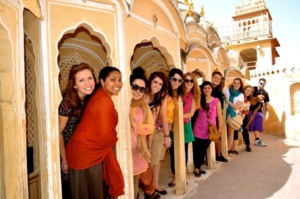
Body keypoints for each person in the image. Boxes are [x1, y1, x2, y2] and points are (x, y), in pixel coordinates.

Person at [65, 66, 124, 199]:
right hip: (86, 155)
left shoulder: (100, 96)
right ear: (102, 81)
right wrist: (113, 140)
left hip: (87, 153)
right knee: (92, 193)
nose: (117, 83)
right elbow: (105, 135)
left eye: (120, 80)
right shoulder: (103, 100)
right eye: (113, 79)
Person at [58, 63, 96, 199]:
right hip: (70, 156)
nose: (87, 83)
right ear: (74, 85)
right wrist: (64, 160)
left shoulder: (90, 100)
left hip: (85, 155)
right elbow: (58, 133)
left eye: (90, 78)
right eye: (81, 80)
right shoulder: (67, 104)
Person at [151, 68, 183, 195]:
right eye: (174, 79)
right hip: (159, 131)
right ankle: (151, 187)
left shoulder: (172, 95)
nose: (177, 82)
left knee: (158, 160)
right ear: (169, 79)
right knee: (154, 160)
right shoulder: (164, 94)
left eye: (179, 80)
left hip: (163, 131)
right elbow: (163, 115)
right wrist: (167, 135)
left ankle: (155, 185)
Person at [168, 72, 200, 187]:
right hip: (173, 125)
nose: (189, 83)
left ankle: (182, 175)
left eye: (191, 81)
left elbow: (191, 113)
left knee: (184, 152)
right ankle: (175, 177)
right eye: (186, 80)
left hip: (185, 125)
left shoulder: (194, 95)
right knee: (173, 152)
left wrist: (177, 117)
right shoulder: (176, 92)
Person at [139, 71, 168, 199]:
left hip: (153, 132)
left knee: (152, 161)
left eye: (160, 84)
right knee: (140, 162)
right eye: (155, 82)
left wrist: (167, 135)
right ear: (150, 81)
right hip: (139, 133)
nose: (157, 86)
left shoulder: (159, 99)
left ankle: (150, 190)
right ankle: (142, 190)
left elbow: (163, 117)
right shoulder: (140, 94)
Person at [129, 67, 155, 199]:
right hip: (121, 151)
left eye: (141, 89)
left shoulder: (144, 107)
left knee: (134, 182)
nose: (137, 91)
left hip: (138, 151)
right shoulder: (121, 103)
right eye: (134, 87)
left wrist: (136, 126)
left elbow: (151, 128)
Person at [192, 81, 223, 177]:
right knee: (197, 148)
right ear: (202, 89)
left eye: (209, 88)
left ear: (211, 89)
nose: (207, 90)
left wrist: (220, 128)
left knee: (204, 147)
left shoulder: (216, 100)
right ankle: (197, 168)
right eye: (205, 88)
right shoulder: (199, 99)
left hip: (210, 129)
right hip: (198, 126)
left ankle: (199, 165)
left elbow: (219, 115)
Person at [211, 71, 228, 162]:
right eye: (215, 77)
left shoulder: (218, 92)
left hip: (215, 117)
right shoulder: (205, 87)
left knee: (216, 136)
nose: (217, 80)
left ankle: (218, 154)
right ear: (211, 77)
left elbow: (220, 108)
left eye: (219, 79)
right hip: (203, 117)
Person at [247, 78, 270, 147]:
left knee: (257, 124)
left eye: (263, 83)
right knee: (248, 125)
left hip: (258, 111)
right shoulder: (253, 89)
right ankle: (245, 140)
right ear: (258, 82)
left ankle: (257, 140)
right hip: (249, 110)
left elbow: (266, 104)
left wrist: (267, 112)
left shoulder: (265, 93)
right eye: (260, 83)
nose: (262, 84)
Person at [225, 78, 244, 156]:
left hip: (232, 115)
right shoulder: (227, 90)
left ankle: (228, 149)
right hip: (224, 113)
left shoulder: (241, 95)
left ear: (240, 85)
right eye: (235, 83)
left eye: (238, 83)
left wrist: (227, 101)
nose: (236, 84)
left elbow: (236, 107)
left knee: (230, 133)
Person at [231, 85, 254, 153]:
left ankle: (247, 145)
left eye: (250, 91)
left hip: (243, 116)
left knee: (244, 129)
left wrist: (240, 121)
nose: (248, 92)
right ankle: (233, 148)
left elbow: (244, 112)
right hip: (234, 114)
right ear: (244, 90)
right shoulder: (238, 96)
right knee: (234, 130)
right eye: (247, 90)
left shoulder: (248, 101)